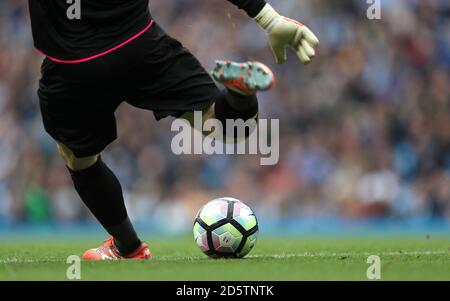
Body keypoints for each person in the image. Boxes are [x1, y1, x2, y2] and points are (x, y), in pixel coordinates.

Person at [28, 0, 319, 260]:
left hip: (74, 67)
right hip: (140, 45)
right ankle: (239, 95)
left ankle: (128, 248)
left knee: (80, 159)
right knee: (226, 127)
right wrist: (268, 18)